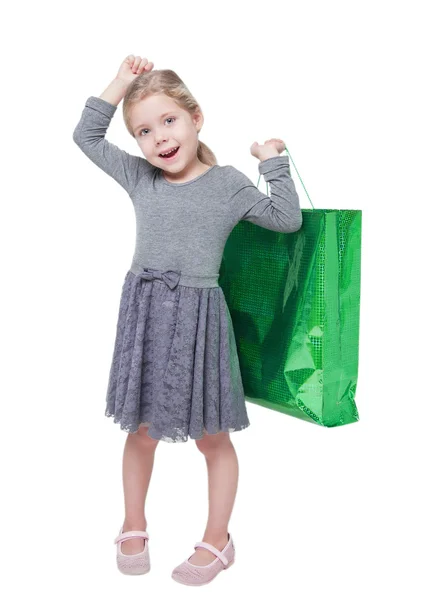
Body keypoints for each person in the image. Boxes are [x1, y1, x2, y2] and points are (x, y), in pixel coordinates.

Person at [72, 54, 302, 586]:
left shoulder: (226, 184)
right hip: (146, 313)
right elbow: (85, 135)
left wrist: (271, 161)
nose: (159, 139)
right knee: (141, 428)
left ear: (196, 117)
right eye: (144, 131)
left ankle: (218, 540)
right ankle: (133, 524)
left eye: (168, 121)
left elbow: (286, 220)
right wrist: (121, 82)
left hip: (199, 320)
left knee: (213, 437)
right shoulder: (139, 176)